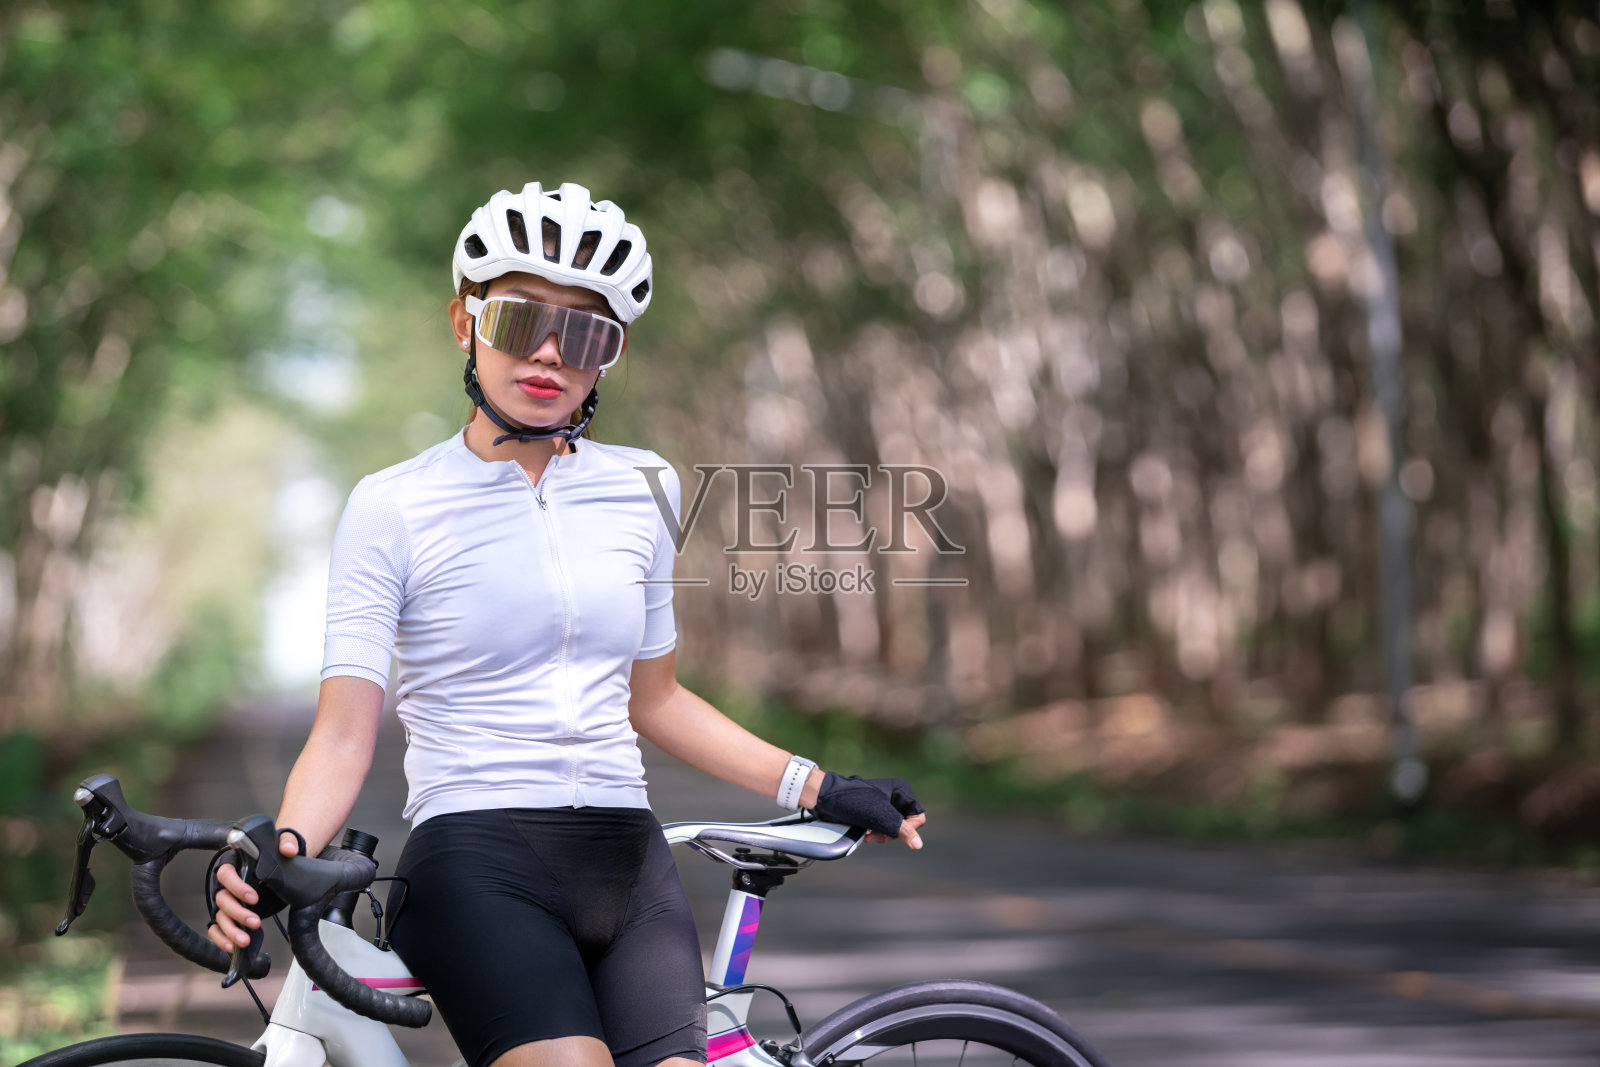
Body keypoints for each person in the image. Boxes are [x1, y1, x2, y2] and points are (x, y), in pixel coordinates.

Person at [207, 181, 927, 1067]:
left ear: (606, 356)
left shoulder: (643, 486)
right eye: (519, 320)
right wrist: (281, 850)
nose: (549, 352)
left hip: (628, 866)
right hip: (477, 857)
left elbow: (654, 699)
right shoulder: (393, 503)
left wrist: (818, 784)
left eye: (586, 333)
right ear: (465, 322)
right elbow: (344, 736)